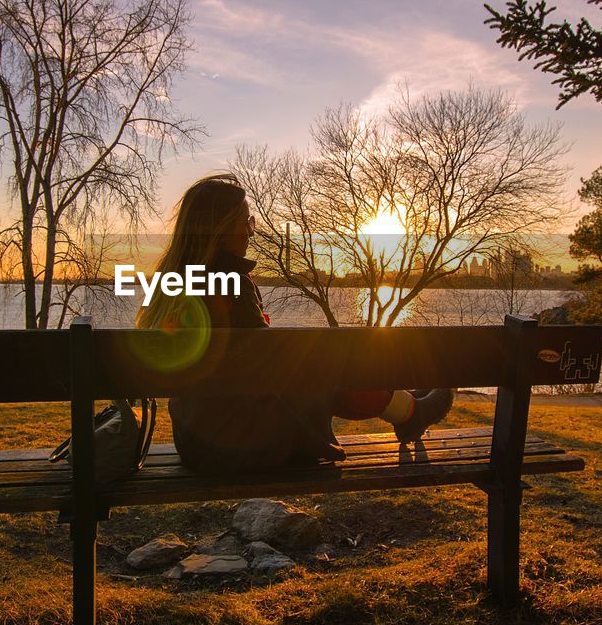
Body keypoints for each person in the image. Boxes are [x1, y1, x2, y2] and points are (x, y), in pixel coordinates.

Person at [136, 173, 454, 476]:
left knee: (320, 364)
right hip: (240, 444)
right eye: (245, 220)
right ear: (220, 229)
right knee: (324, 365)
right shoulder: (231, 284)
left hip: (195, 444)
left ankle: (407, 407)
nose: (251, 230)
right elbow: (270, 365)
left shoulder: (170, 288)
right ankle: (409, 412)